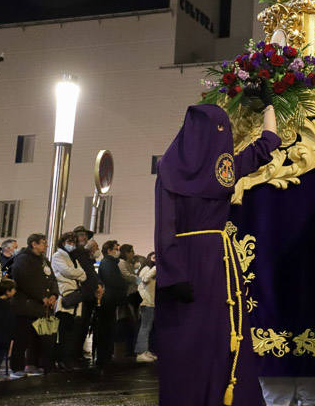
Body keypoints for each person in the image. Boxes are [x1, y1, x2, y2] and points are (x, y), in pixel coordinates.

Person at [156, 102, 280, 406]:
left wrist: (172, 273)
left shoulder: (175, 169)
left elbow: (164, 227)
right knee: (212, 337)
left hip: (193, 263)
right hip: (215, 262)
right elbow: (267, 143)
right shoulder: (222, 170)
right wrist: (268, 107)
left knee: (205, 338)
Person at [9, 233, 58, 377]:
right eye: (43, 242)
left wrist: (54, 295)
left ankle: (34, 364)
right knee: (22, 339)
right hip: (26, 307)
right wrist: (41, 296)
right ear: (34, 244)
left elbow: (53, 278)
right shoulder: (22, 259)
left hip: (43, 308)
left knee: (41, 339)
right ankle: (17, 368)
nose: (46, 245)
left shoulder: (44, 260)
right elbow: (23, 280)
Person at [51, 231, 86, 370]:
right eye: (69, 242)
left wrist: (78, 273)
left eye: (73, 242)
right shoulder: (58, 255)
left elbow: (84, 275)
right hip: (65, 295)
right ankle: (61, 359)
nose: (71, 245)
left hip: (75, 296)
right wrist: (78, 273)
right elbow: (68, 272)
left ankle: (67, 358)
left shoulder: (73, 258)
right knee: (63, 331)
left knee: (72, 331)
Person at [70, 231, 102, 366]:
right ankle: (73, 355)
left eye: (86, 236)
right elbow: (86, 273)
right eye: (81, 235)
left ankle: (78, 353)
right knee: (77, 326)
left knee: (83, 326)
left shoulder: (86, 256)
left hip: (89, 295)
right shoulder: (77, 253)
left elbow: (91, 273)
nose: (85, 238)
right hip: (81, 294)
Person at [97, 239, 127, 368]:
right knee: (106, 329)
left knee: (109, 328)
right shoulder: (107, 263)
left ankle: (107, 356)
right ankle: (104, 357)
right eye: (116, 249)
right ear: (109, 250)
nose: (118, 251)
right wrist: (124, 284)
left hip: (112, 300)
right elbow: (113, 280)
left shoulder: (111, 263)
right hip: (108, 300)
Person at [135, 251, 156, 362]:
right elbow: (145, 279)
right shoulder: (147, 269)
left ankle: (145, 350)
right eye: (154, 257)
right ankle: (140, 352)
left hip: (151, 302)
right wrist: (156, 267)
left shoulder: (151, 269)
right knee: (145, 327)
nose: (156, 259)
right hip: (146, 302)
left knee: (148, 328)